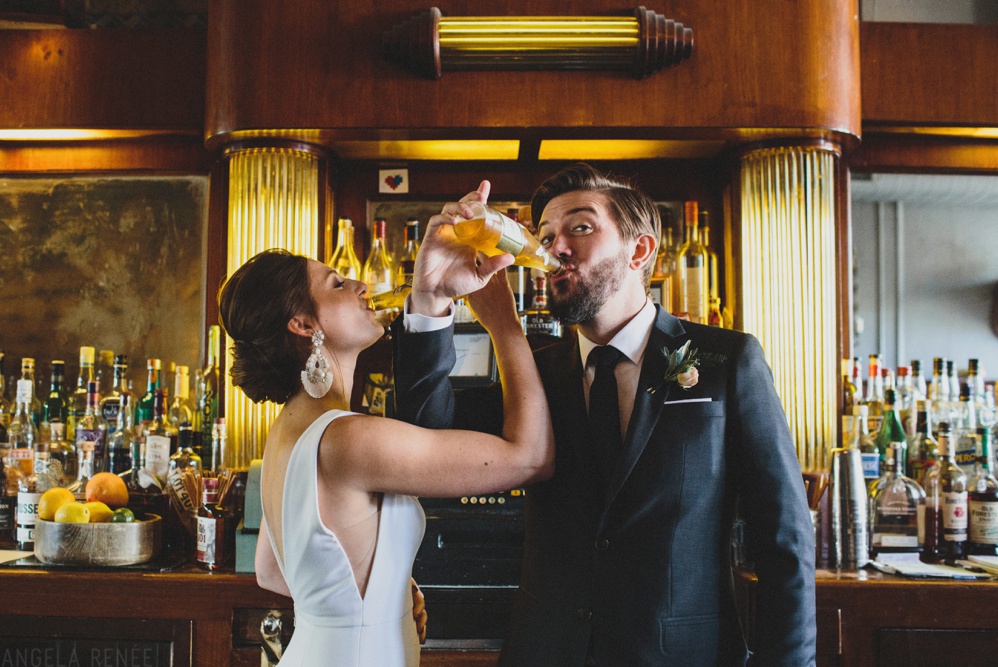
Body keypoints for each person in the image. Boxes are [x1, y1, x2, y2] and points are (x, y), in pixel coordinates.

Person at [392, 163, 817, 666]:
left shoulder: (728, 361)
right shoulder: (532, 373)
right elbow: (426, 442)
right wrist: (430, 298)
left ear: (639, 250)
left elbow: (783, 540)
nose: (556, 247)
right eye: (546, 236)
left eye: (580, 227)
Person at [218, 247, 554, 667]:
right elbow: (531, 457)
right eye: (338, 284)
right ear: (303, 324)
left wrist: (381, 588)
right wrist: (503, 322)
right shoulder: (349, 440)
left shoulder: (288, 430)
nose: (361, 287)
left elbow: (270, 568)